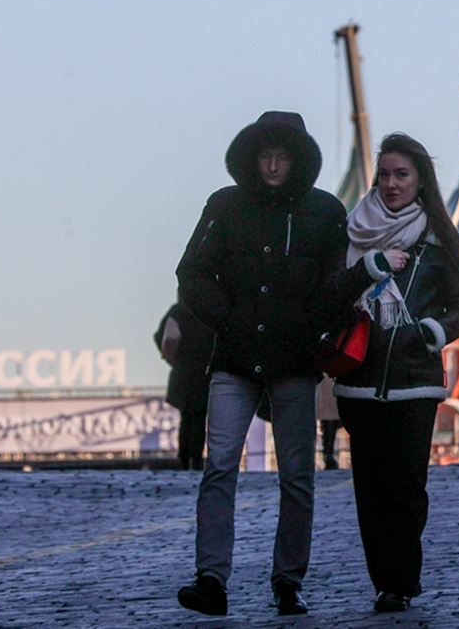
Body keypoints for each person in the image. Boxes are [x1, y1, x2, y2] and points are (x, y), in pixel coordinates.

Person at [175, 111, 350, 617]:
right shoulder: (225, 206)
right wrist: (225, 319)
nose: (273, 165)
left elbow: (333, 282)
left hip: (295, 363)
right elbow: (192, 273)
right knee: (219, 467)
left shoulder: (323, 211)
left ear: (297, 160)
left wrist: (313, 327)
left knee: (297, 474)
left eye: (282, 156)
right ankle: (211, 579)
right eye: (265, 155)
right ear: (252, 158)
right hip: (234, 359)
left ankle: (289, 581)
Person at [333, 132, 459, 613]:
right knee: (370, 489)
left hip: (415, 382)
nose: (391, 185)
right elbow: (330, 295)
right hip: (359, 380)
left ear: (420, 180)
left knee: (406, 488)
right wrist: (367, 268)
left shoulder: (439, 234)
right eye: (385, 175)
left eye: (401, 174)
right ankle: (385, 583)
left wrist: (430, 331)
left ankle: (402, 579)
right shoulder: (355, 229)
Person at [154, 302, 214, 470]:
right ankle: (197, 458)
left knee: (186, 418)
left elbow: (162, 337)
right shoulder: (207, 309)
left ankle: (184, 457)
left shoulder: (178, 311)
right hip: (204, 372)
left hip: (183, 371)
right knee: (200, 418)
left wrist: (171, 358)